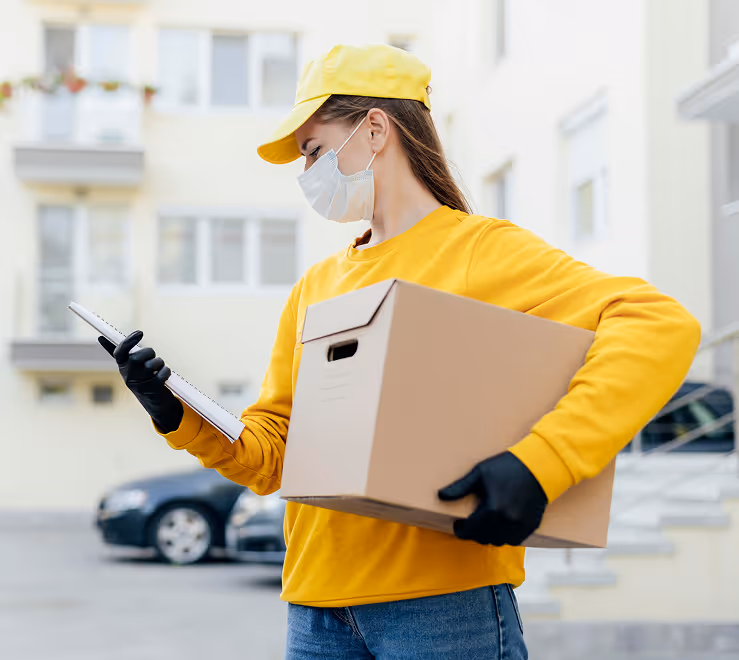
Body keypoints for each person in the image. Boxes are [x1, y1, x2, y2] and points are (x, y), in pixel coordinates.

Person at [98, 44, 702, 659]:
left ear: (376, 129)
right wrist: (173, 411)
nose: (307, 172)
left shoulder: (478, 251)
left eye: (312, 150)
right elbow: (274, 456)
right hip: (315, 609)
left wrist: (542, 463)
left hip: (444, 607)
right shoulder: (318, 285)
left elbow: (657, 324)